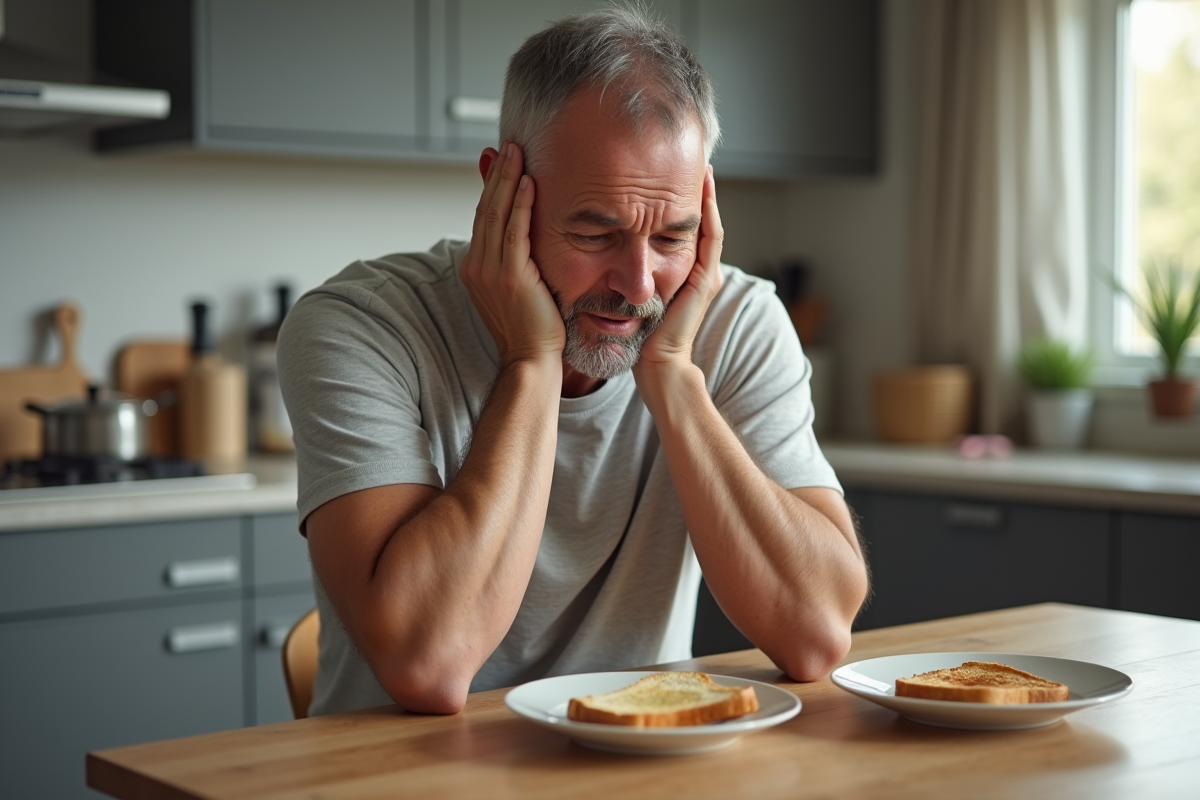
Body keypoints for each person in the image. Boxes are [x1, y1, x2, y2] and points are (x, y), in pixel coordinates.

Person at [278, 5, 869, 717]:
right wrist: (532, 360)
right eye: (596, 233)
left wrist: (676, 379)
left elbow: (816, 634)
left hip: (636, 768)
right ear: (502, 189)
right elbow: (427, 662)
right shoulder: (361, 326)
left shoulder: (733, 322)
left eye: (672, 237)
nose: (639, 286)